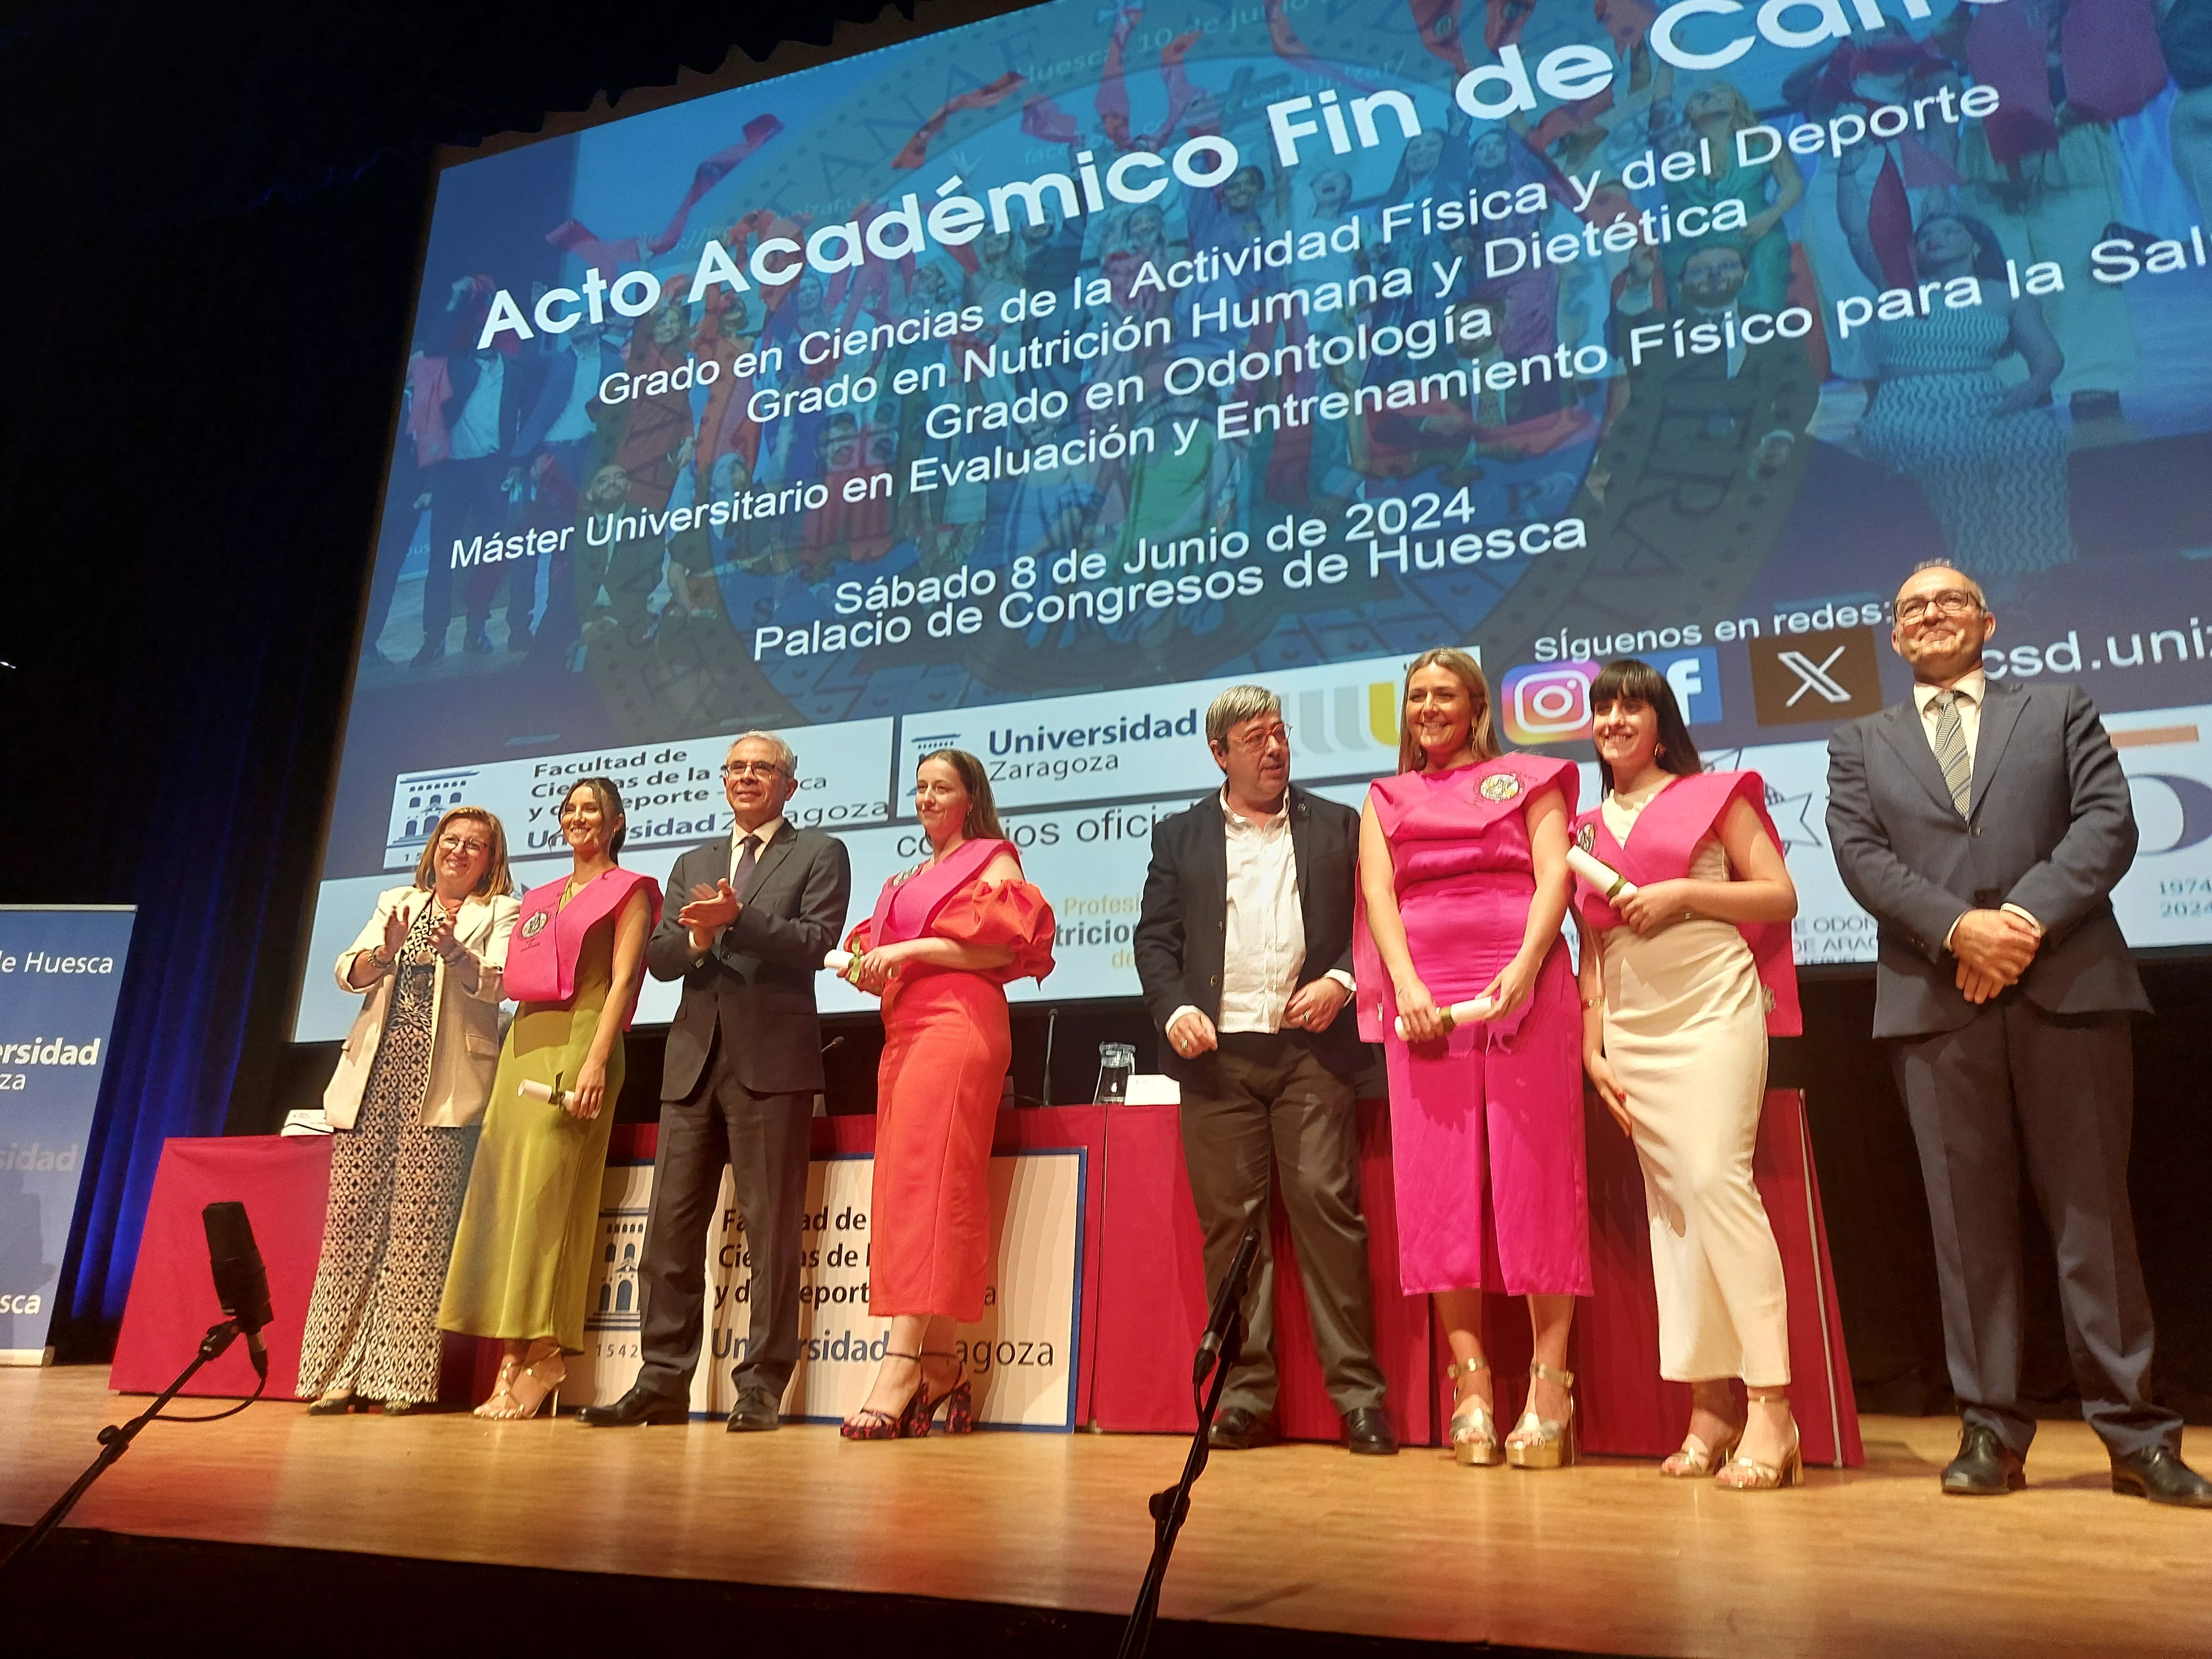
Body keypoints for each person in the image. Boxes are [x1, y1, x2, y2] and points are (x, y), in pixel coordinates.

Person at [1826, 562, 2210, 1507]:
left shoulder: (2057, 708)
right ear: (1895, 635)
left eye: (1948, 600)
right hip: (1933, 1000)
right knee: (1966, 1230)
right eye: (1911, 606)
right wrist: (1959, 931)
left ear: (1986, 623)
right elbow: (1860, 858)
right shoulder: (1857, 743)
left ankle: (2132, 1434)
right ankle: (1989, 1431)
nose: (1929, 615)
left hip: (2065, 990)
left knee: (2092, 1218)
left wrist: (2017, 925)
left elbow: (2106, 824)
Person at [1135, 686, 1396, 1457]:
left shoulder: (1339, 827)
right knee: (1234, 1231)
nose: (1274, 748)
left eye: (1280, 734)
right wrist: (1173, 1008)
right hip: (1215, 1061)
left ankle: (1359, 1398)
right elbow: (1155, 943)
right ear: (1220, 753)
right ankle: (1246, 1397)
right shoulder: (1180, 836)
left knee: (1329, 1212)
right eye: (1255, 738)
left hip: (1311, 1056)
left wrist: (1343, 981)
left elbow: (1374, 922)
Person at [1570, 661, 1803, 1489]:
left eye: (1630, 705)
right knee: (1670, 1211)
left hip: (1710, 1002)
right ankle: (1711, 1404)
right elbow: (1591, 950)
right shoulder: (1580, 826)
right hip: (1630, 1021)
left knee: (1713, 1180)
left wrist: (1679, 893)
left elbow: (1779, 896)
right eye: (1601, 707)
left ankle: (1772, 1403)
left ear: (1659, 723)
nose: (1613, 719)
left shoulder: (1715, 792)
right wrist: (1591, 1043)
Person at [581, 733, 852, 1431]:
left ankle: (761, 1388)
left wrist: (740, 919)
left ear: (789, 785)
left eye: (762, 768)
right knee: (669, 1236)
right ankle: (663, 1379)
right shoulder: (693, 861)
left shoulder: (820, 852)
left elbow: (817, 942)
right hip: (692, 1065)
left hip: (773, 1065)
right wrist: (701, 938)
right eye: (736, 768)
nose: (746, 778)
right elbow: (665, 957)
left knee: (769, 1237)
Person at [1355, 648, 1585, 1469]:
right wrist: (1407, 989)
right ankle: (1472, 1383)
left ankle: (1549, 1384)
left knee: (1536, 1184)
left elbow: (1554, 876)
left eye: (1443, 693)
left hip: (1526, 988)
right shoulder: (1383, 797)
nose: (1428, 706)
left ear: (1476, 705)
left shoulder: (1529, 776)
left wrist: (1522, 972)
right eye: (1415, 694)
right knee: (1438, 1192)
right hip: (1425, 1006)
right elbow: (1380, 897)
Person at [839, 750, 1054, 1438]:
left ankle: (899, 1363)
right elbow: (897, 958)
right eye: (922, 787)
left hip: (958, 1025)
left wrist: (906, 953)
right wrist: (868, 969)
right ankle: (940, 1368)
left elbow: (1000, 953)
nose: (928, 798)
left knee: (931, 1189)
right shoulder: (909, 876)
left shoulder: (993, 859)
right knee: (912, 1191)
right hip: (905, 1032)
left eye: (942, 788)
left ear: (970, 799)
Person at [439, 777, 658, 1418]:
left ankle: (546, 1355)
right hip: (523, 1045)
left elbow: (622, 983)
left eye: (593, 808)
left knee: (548, 1203)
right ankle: (513, 1355)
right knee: (508, 1202)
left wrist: (595, 1059)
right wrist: (455, 954)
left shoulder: (630, 891)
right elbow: (513, 981)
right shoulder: (538, 897)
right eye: (570, 808)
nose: (579, 816)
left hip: (580, 1046)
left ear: (616, 821)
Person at [300, 807, 520, 1414]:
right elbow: (348, 973)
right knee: (350, 1229)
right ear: (434, 848)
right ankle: (336, 1373)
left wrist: (455, 952)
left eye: (475, 846)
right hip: (374, 1080)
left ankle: (398, 1378)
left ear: (489, 861)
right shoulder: (397, 899)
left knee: (419, 1237)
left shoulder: (501, 912)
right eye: (451, 841)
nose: (460, 851)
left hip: (447, 1086)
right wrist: (387, 954)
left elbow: (503, 985)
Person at [1840, 206, 2072, 581]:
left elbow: (2048, 360)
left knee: (2035, 442)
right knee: (1954, 454)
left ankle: (2031, 570)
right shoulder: (1897, 289)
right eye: (1926, 235)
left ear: (1977, 246)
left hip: (1984, 401)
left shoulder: (2006, 296)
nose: (1936, 238)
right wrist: (1850, 167)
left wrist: (2026, 394)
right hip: (1907, 407)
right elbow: (1856, 231)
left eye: (1950, 231)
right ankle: (1977, 577)